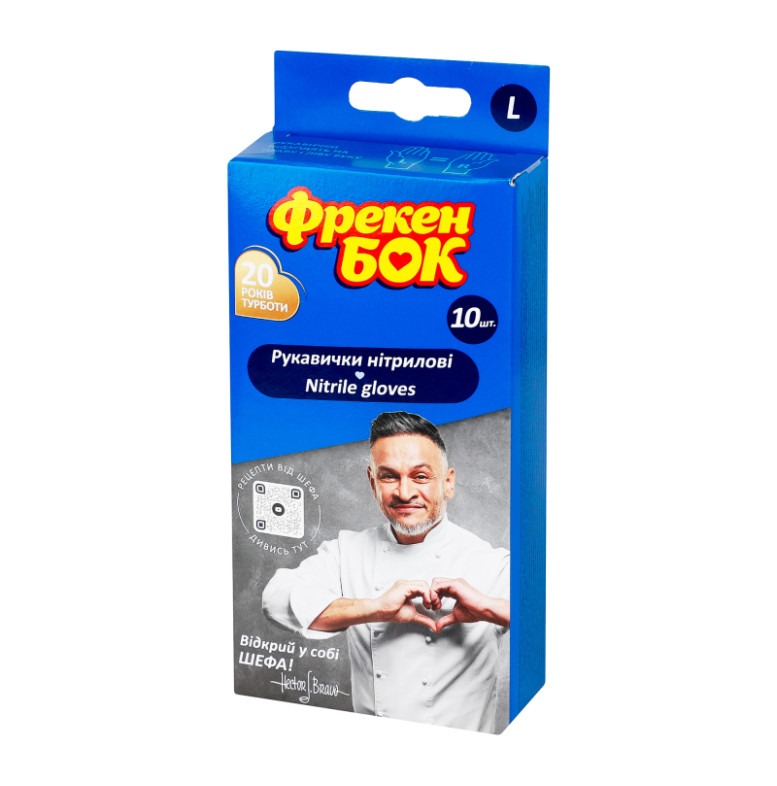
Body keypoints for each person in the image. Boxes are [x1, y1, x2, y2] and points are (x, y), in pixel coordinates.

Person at [262, 411, 510, 732]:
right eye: (389, 476)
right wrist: (374, 608)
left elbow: (547, 621)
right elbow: (275, 600)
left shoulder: (489, 562)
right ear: (372, 483)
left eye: (420, 476)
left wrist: (488, 608)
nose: (404, 493)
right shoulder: (347, 551)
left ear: (448, 483)